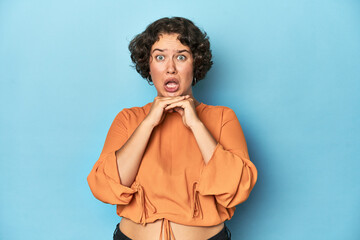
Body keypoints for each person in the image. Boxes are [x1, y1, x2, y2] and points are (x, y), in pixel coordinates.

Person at [87, 17, 257, 240]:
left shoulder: (222, 117)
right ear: (148, 65)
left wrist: (196, 125)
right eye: (160, 57)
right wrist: (148, 123)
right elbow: (107, 186)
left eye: (181, 57)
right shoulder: (128, 119)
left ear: (195, 63)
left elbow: (236, 187)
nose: (170, 68)